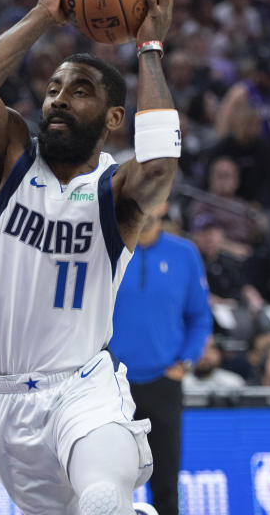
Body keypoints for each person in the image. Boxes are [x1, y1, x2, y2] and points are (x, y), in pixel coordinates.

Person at [0, 0, 177, 514]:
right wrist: (44, 15)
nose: (59, 99)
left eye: (80, 91)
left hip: (83, 387)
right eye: (52, 88)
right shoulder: (7, 158)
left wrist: (149, 48)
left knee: (101, 498)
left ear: (113, 118)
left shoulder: (115, 193)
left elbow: (160, 166)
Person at [109, 202, 212, 515]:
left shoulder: (185, 254)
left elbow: (200, 316)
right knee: (107, 482)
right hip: (111, 384)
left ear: (166, 204)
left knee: (166, 485)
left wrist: (186, 362)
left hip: (164, 382)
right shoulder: (108, 248)